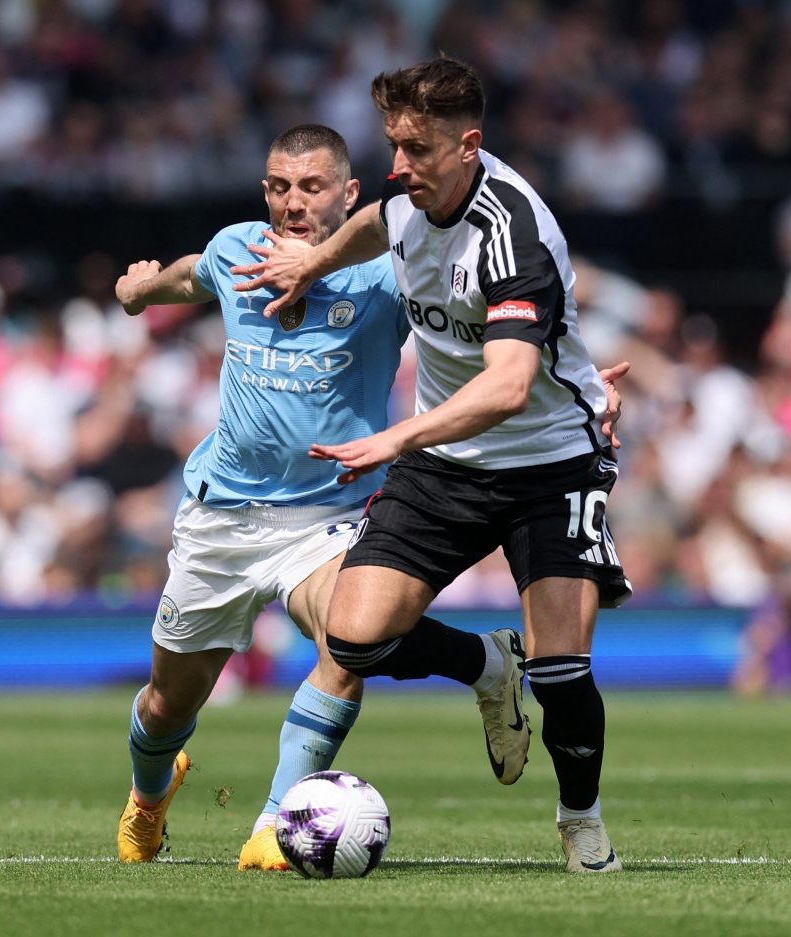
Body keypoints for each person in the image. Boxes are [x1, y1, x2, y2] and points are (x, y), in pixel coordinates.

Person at [111, 124, 612, 869]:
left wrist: (582, 389)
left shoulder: (389, 271)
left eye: (312, 187)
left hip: (330, 517)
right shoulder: (238, 249)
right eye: (280, 187)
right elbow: (192, 275)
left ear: (351, 196)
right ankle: (148, 801)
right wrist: (137, 290)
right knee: (164, 705)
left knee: (347, 645)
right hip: (221, 518)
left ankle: (274, 823)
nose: (293, 203)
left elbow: (504, 318)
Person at [235, 58, 632, 874]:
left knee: (561, 670)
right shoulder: (411, 204)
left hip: (549, 463)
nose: (397, 166)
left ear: (468, 146)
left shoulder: (514, 232)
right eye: (393, 144)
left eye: (414, 149)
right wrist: (311, 263)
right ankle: (489, 666)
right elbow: (377, 221)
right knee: (352, 636)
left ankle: (581, 817)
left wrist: (394, 441)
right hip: (447, 462)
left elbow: (512, 386)